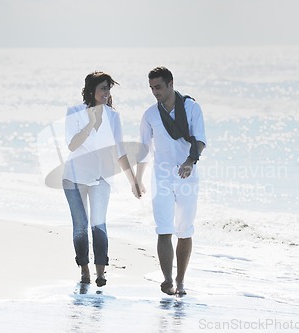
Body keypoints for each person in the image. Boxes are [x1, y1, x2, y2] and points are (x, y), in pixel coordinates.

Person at [135, 66, 207, 295]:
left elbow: (201, 140)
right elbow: (144, 149)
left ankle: (181, 281)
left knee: (184, 230)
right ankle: (167, 280)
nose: (154, 92)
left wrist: (189, 162)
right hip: (162, 177)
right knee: (164, 229)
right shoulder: (150, 115)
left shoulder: (191, 107)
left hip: (187, 177)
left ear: (170, 83)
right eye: (151, 88)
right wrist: (138, 178)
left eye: (158, 87)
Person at [63, 71, 139, 287]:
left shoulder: (113, 117)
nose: (107, 93)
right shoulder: (74, 112)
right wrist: (90, 124)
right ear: (92, 90)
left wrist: (132, 180)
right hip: (74, 177)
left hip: (102, 177)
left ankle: (101, 272)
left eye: (108, 89)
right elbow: (72, 145)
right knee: (80, 226)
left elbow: (120, 151)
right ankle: (84, 270)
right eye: (103, 88)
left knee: (99, 224)